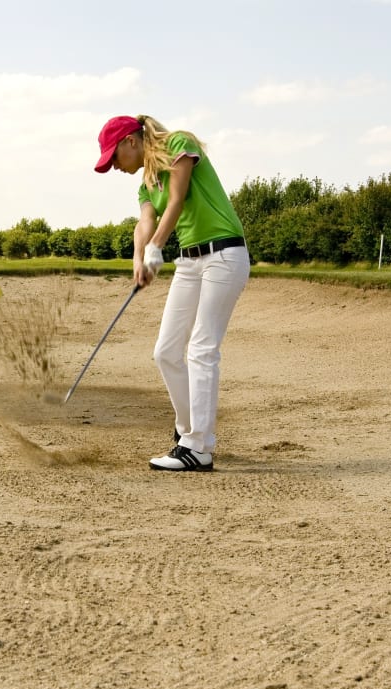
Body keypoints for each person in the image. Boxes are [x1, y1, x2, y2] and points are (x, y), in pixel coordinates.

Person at [94, 115, 250, 472]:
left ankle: (200, 447)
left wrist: (157, 248)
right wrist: (140, 256)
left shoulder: (179, 144)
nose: (114, 166)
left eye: (114, 157)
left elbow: (177, 199)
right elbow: (145, 222)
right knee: (165, 351)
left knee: (201, 348)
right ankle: (187, 434)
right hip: (191, 262)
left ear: (131, 141)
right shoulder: (146, 183)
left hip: (224, 255)